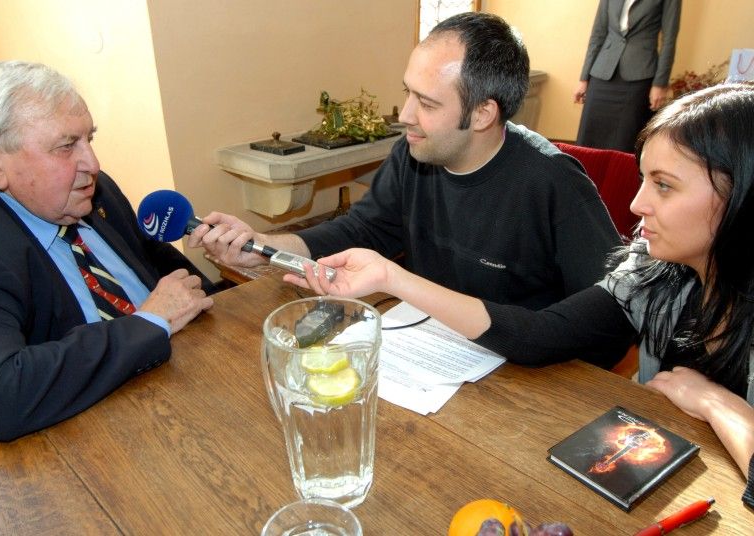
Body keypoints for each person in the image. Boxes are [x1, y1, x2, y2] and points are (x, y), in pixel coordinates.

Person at [289, 84, 754, 507]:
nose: (637, 204)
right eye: (644, 179)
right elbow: (541, 335)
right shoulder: (653, 270)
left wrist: (718, 405)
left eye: (664, 186)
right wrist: (391, 277)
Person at [190, 12, 621, 311]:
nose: (406, 116)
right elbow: (362, 230)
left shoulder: (554, 184)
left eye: (427, 103)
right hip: (427, 348)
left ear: (483, 114)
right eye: (407, 92)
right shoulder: (414, 153)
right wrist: (263, 249)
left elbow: (610, 314)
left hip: (521, 374)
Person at [0, 61, 216, 441]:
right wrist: (149, 323)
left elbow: (175, 280)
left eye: (88, 139)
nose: (93, 164)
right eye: (66, 147)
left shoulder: (94, 191)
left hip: (192, 390)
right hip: (95, 442)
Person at [574, 0, 681, 153]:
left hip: (639, 76)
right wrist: (584, 78)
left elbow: (669, 40)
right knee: (588, 140)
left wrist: (660, 83)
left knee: (624, 143)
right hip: (602, 74)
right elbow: (598, 34)